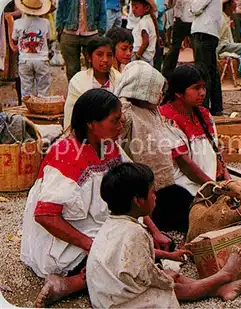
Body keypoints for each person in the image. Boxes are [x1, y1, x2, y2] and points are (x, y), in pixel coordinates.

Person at [20, 89, 174, 307]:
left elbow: (134, 189)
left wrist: (155, 231)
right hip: (68, 234)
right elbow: (45, 216)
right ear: (91, 123)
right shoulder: (65, 154)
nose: (121, 125)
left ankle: (74, 281)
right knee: (122, 266)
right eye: (115, 120)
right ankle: (67, 283)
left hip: (100, 226)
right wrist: (90, 244)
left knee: (129, 256)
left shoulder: (109, 144)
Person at [87, 163, 241, 309]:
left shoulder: (111, 225)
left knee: (167, 271)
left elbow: (128, 257)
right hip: (122, 303)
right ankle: (224, 276)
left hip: (106, 297)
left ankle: (223, 289)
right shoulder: (135, 232)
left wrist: (169, 256)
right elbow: (150, 275)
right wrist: (167, 278)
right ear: (138, 201)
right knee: (172, 283)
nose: (156, 196)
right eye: (152, 192)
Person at [157, 64, 230, 232]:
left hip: (206, 182)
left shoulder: (204, 113)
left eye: (204, 87)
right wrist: (214, 188)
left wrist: (227, 180)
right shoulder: (166, 117)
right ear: (178, 92)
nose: (203, 92)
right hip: (181, 185)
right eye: (196, 88)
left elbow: (215, 149)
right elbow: (184, 163)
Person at [115, 60, 176, 220]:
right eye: (157, 92)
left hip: (160, 175)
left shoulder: (152, 110)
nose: (161, 96)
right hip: (137, 176)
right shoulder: (126, 111)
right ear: (141, 91)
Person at [63, 36, 121, 130]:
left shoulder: (119, 80)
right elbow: (73, 114)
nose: (105, 60)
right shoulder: (78, 81)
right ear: (89, 58)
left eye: (109, 55)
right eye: (100, 54)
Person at [56, 0, 107, 81]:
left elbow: (102, 10)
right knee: (72, 69)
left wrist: (101, 29)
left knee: (94, 68)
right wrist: (59, 28)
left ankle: (92, 92)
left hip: (92, 33)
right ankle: (75, 91)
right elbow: (60, 8)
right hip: (69, 33)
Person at [190, 0, 224, 116]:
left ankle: (203, 108)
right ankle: (216, 107)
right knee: (211, 72)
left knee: (202, 72)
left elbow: (195, 8)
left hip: (204, 32)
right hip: (210, 32)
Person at [11, 0, 51, 97]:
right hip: (41, 60)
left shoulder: (17, 23)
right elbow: (48, 38)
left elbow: (14, 39)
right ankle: (42, 107)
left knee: (26, 89)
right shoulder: (46, 23)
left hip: (25, 60)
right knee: (43, 90)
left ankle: (25, 109)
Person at [162, 0, 193, 79]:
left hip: (191, 19)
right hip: (182, 18)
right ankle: (167, 73)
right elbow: (170, 5)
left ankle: (167, 72)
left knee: (196, 48)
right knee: (175, 48)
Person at [131, 0, 158, 66]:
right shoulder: (148, 19)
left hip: (142, 58)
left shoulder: (144, 22)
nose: (133, 10)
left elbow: (145, 42)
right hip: (146, 58)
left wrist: (137, 56)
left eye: (136, 7)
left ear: (146, 8)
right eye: (132, 6)